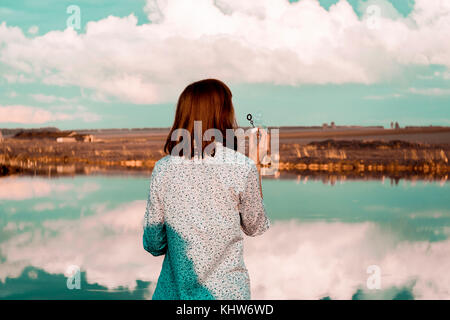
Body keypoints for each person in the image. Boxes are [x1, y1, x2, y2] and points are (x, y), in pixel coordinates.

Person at [143, 78, 270, 299]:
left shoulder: (163, 169)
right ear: (223, 114)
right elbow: (255, 226)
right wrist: (255, 165)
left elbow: (154, 243)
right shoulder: (241, 167)